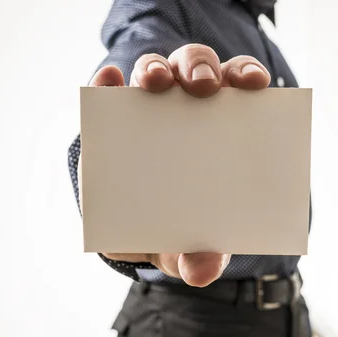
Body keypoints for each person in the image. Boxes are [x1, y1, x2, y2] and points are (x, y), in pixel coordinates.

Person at [67, 1, 314, 336]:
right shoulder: (168, 6)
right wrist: (109, 176)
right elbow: (135, 67)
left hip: (280, 316)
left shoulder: (252, 25)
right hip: (191, 318)